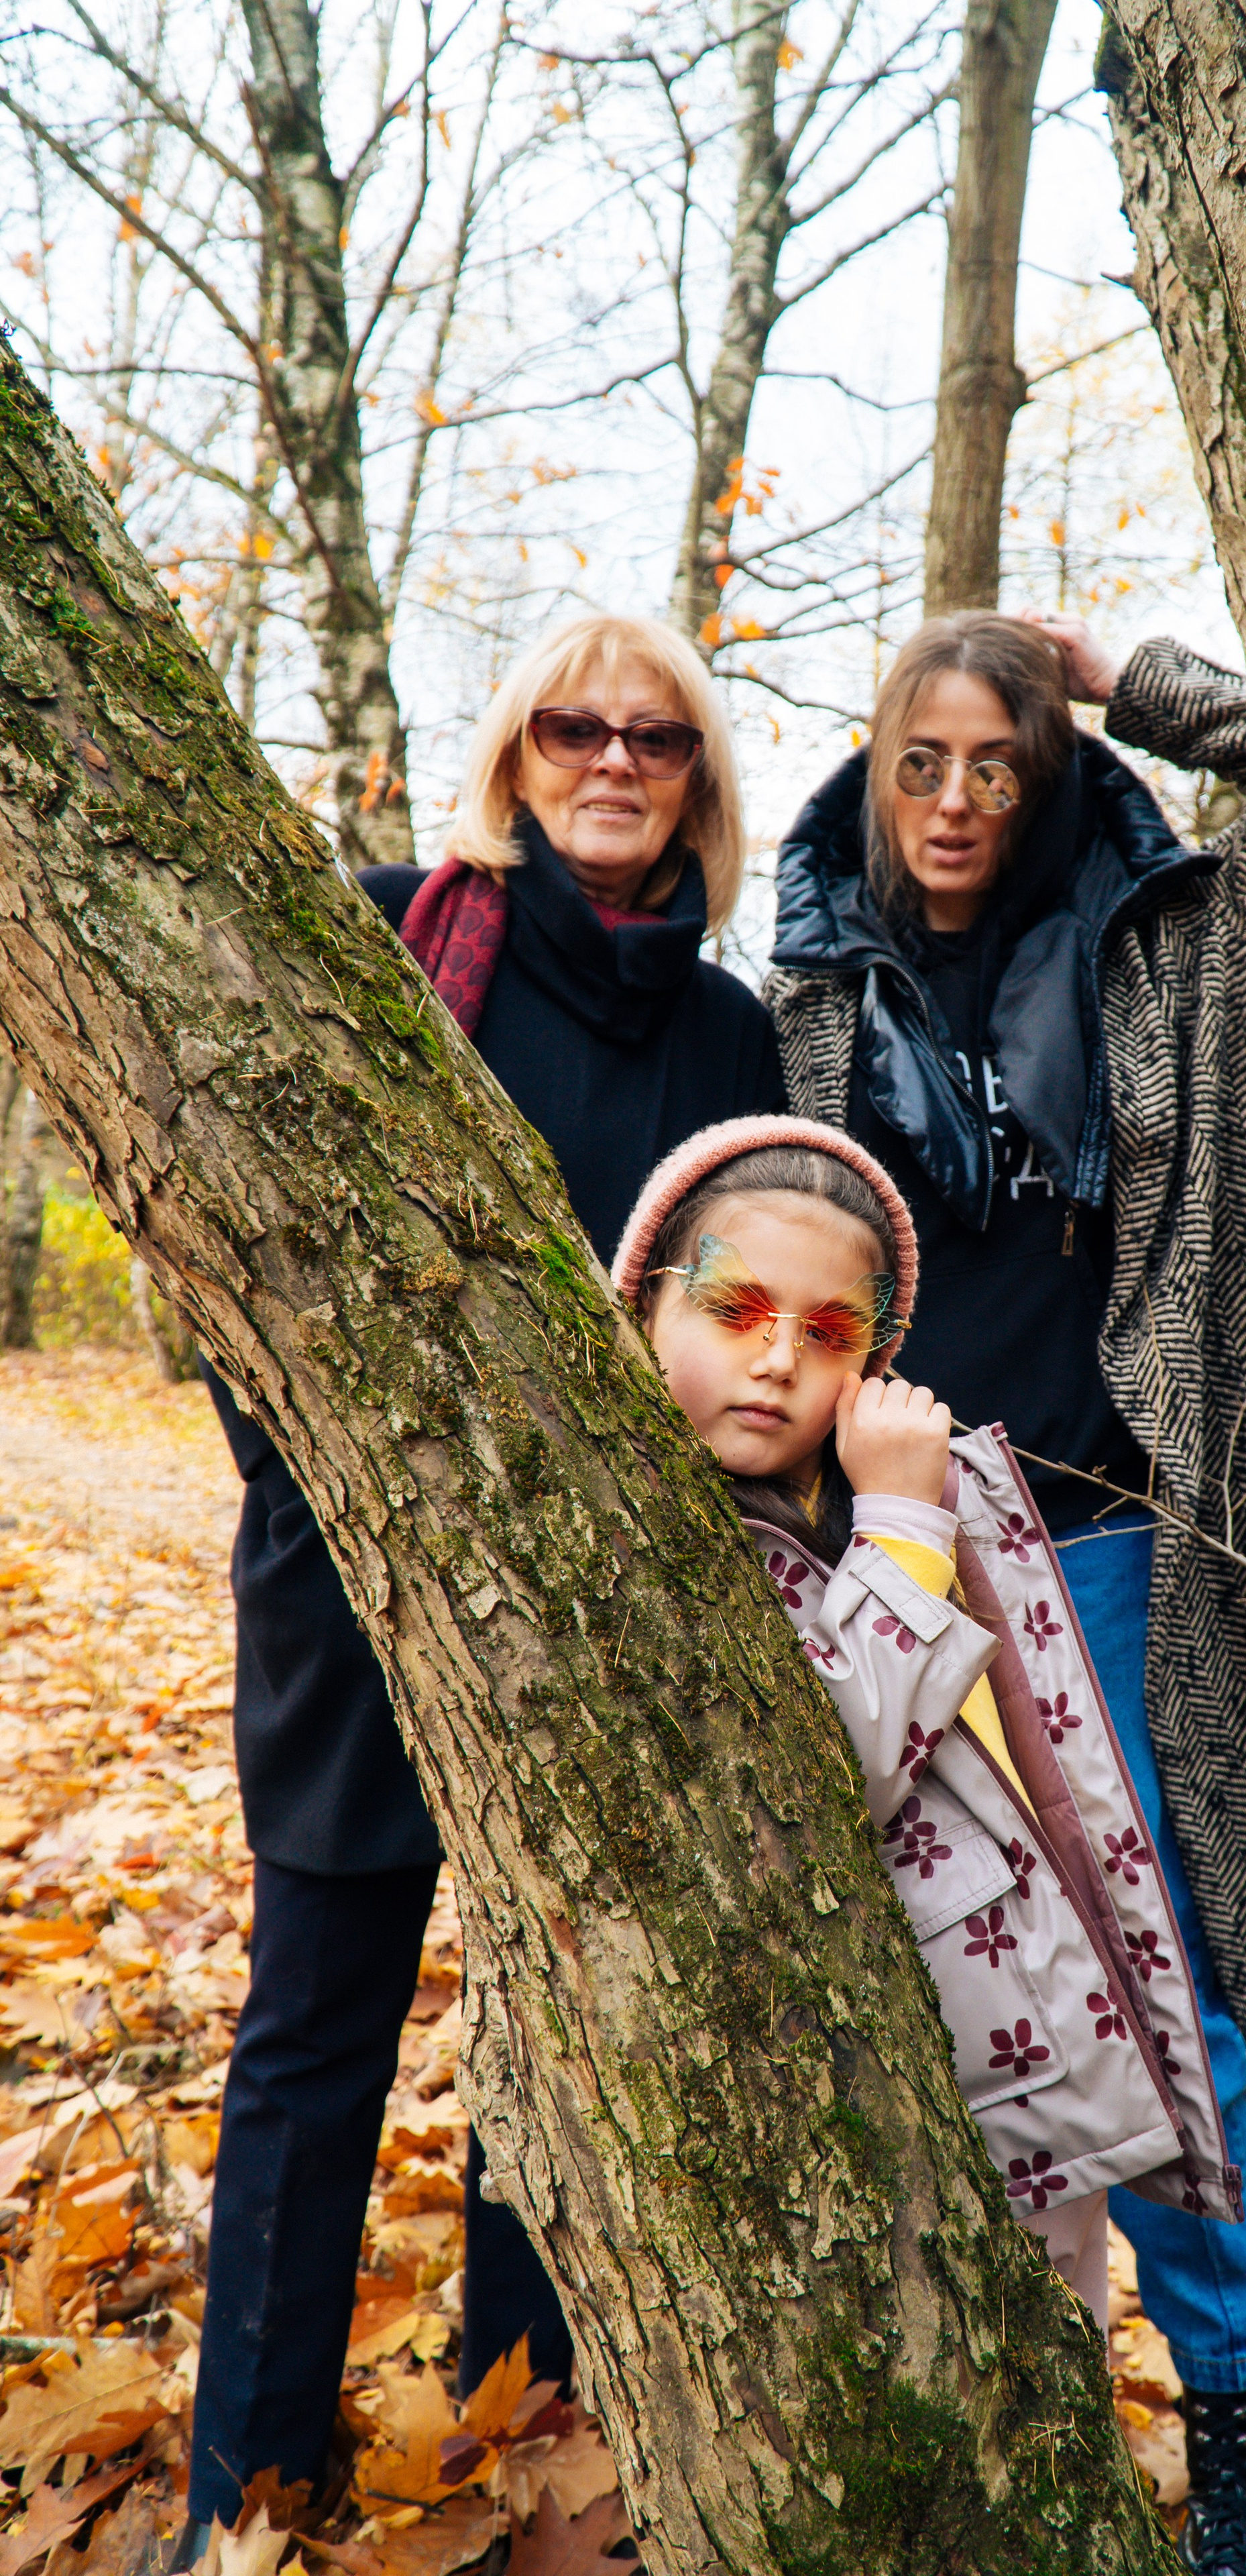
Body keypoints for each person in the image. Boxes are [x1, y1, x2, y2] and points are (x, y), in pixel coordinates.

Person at [763, 614, 1246, 2576]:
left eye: (1003, 760)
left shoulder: (1174, 930)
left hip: (1113, 1543)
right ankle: (1003, 2377)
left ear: (1053, 769)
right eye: (927, 763)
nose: (962, 800)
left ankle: (1227, 2418)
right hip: (895, 1547)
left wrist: (1119, 671)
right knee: (929, 1986)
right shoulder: (809, 984)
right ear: (877, 771)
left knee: (1167, 2004)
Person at [186, 615, 787, 2553]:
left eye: (658, 737)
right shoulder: (386, 939)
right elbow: (224, 1243)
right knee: (312, 2041)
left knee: (564, 2053)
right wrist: (318, 1481)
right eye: (572, 726)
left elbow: (762, 1320)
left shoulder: (732, 1036)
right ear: (515, 755)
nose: (614, 759)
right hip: (356, 1601)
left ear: (700, 782)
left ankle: (518, 2462)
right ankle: (252, 2489)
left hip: (620, 1630)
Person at [611, 1114, 1235, 2316]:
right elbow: (822, 1781)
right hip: (868, 2083)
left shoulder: (875, 1499)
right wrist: (904, 1532)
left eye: (830, 1330)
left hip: (1019, 2070)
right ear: (647, 1305)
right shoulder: (670, 1538)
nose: (779, 1358)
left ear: (877, 1360)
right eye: (736, 1310)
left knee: (1056, 2342)